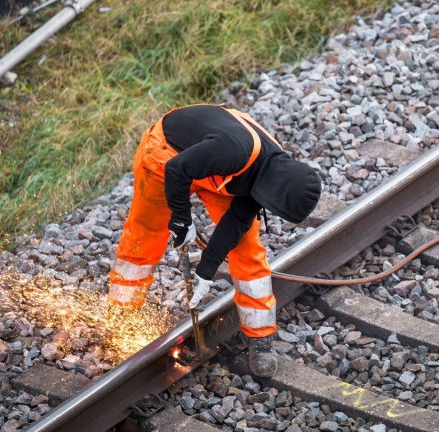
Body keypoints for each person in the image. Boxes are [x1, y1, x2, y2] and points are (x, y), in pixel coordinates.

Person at [107, 104, 321, 377]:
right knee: (145, 236)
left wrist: (205, 271)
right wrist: (182, 220)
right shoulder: (233, 151)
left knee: (248, 249)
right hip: (167, 154)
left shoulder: (273, 174)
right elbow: (176, 169)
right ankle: (122, 316)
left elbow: (234, 226)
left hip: (217, 169)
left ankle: (260, 336)